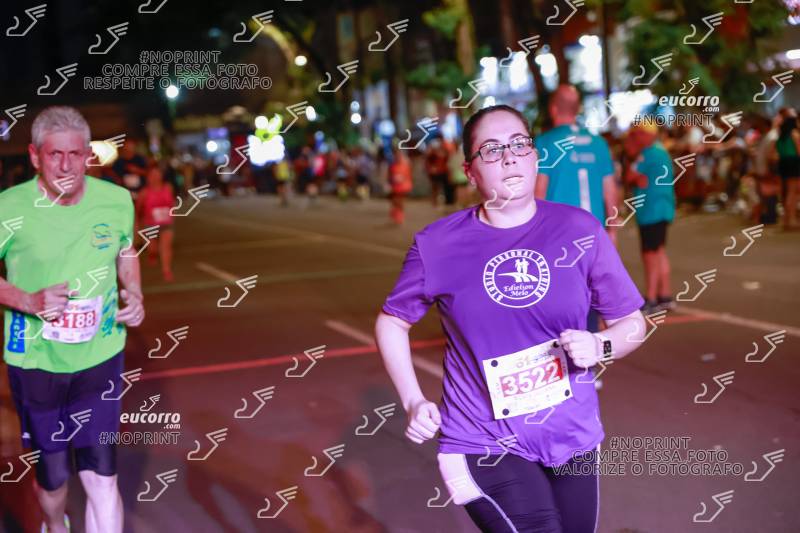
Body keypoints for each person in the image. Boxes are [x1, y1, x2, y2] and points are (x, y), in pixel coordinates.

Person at [375, 104, 646, 532]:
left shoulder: (579, 230)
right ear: (470, 171)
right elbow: (392, 321)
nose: (508, 157)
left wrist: (601, 344)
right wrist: (412, 400)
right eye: (491, 149)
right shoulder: (438, 245)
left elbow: (632, 322)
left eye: (519, 144)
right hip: (483, 438)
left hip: (571, 434)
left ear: (535, 156)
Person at [0, 106, 144, 533]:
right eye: (54, 155)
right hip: (36, 360)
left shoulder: (116, 200)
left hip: (100, 354)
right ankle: (55, 524)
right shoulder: (9, 208)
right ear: (35, 156)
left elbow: (125, 249)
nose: (65, 166)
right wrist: (28, 300)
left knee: (102, 474)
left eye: (75, 154)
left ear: (88, 156)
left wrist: (134, 292)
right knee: (54, 475)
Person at [535, 85, 619, 243]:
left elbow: (539, 191)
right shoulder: (599, 143)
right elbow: (610, 190)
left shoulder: (544, 142)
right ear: (577, 109)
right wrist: (613, 230)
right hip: (595, 231)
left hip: (558, 233)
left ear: (553, 109)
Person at [623, 122, 676, 313]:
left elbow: (629, 176)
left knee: (650, 254)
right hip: (664, 207)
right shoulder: (662, 152)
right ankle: (665, 295)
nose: (635, 138)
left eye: (637, 134)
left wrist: (636, 175)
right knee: (659, 251)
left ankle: (651, 297)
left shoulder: (647, 154)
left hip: (650, 210)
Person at [136, 162, 176, 282]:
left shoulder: (168, 187)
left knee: (166, 246)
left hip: (166, 223)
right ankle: (152, 255)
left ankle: (166, 270)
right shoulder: (144, 192)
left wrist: (172, 213)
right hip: (150, 224)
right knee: (153, 249)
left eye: (157, 174)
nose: (155, 177)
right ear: (148, 177)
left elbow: (172, 203)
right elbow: (138, 209)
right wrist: (138, 222)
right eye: (152, 175)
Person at [773, 108, 800, 230]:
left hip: (783, 163)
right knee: (793, 192)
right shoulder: (794, 134)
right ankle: (792, 219)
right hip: (793, 163)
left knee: (786, 192)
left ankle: (786, 220)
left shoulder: (781, 136)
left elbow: (777, 151)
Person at [387, 145, 413, 225]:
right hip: (395, 186)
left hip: (403, 185)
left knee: (400, 201)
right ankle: (396, 212)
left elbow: (408, 175)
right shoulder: (392, 165)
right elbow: (389, 175)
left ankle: (399, 215)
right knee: (395, 200)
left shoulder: (406, 164)